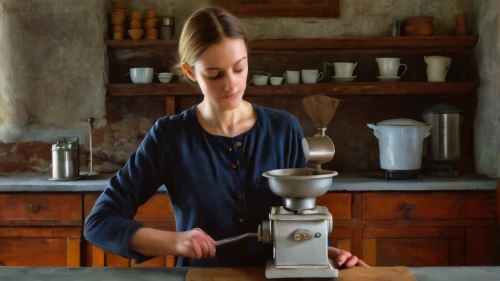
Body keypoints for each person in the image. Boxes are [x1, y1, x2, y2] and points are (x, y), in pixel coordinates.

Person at [84, 6, 368, 269]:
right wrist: (174, 241)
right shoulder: (170, 136)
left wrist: (326, 251)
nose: (231, 84)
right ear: (190, 72)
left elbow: (299, 220)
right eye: (214, 74)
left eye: (239, 68)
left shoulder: (284, 128)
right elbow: (99, 223)